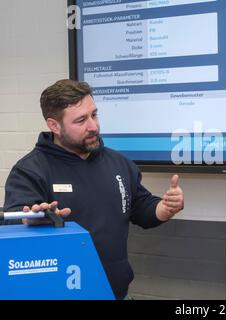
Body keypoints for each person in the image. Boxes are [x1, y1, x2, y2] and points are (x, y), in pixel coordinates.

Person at [3, 79, 184, 300]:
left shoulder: (119, 163)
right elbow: (13, 222)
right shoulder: (30, 171)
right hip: (60, 294)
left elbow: (140, 207)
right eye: (81, 120)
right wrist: (34, 219)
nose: (93, 126)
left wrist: (165, 207)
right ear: (54, 126)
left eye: (94, 115)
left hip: (117, 293)